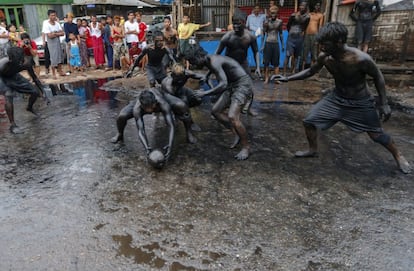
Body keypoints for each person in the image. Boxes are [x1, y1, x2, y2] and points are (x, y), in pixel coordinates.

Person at [271, 22, 411, 174]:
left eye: (325, 44)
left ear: (339, 42)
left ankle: (398, 155)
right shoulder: (325, 57)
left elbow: (378, 77)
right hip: (336, 99)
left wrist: (384, 103)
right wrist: (287, 78)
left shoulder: (361, 58)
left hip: (360, 102)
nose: (322, 47)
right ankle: (313, 150)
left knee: (376, 134)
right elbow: (311, 71)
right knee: (309, 121)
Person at [184, 45, 253, 160]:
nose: (193, 64)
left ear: (200, 56)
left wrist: (205, 93)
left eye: (193, 61)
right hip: (232, 84)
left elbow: (223, 84)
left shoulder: (214, 61)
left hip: (242, 84)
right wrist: (206, 77)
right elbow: (215, 73)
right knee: (216, 111)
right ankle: (236, 133)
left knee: (232, 116)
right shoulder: (208, 60)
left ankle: (246, 147)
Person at [111, 87, 198, 154]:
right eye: (147, 109)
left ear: (155, 103)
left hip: (163, 95)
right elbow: (141, 130)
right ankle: (120, 134)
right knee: (121, 116)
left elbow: (171, 125)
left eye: (152, 107)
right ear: (142, 106)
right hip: (142, 103)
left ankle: (189, 132)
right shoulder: (137, 108)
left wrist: (170, 145)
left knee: (182, 106)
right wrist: (147, 148)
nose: (150, 111)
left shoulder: (162, 102)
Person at [215, 16, 261, 115]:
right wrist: (214, 69)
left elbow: (256, 51)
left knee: (249, 86)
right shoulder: (227, 37)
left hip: (242, 64)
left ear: (244, 23)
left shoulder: (250, 36)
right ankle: (221, 109)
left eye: (238, 23)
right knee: (226, 87)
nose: (235, 26)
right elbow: (216, 54)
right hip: (229, 65)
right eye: (234, 23)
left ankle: (248, 108)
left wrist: (257, 67)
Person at [0, 46, 45, 134]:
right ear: (10, 59)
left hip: (14, 76)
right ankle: (13, 125)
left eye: (20, 59)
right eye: (16, 60)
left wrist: (43, 92)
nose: (19, 62)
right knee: (8, 95)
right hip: (1, 77)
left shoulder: (26, 63)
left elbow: (34, 78)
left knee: (35, 92)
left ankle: (29, 108)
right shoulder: (2, 64)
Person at [283, 1, 310, 74]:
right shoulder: (293, 15)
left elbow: (305, 27)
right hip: (291, 37)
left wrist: (301, 35)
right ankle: (284, 72)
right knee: (288, 55)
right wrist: (291, 32)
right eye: (301, 5)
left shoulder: (307, 17)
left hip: (299, 38)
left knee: (296, 56)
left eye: (303, 6)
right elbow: (288, 25)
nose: (302, 7)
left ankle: (293, 71)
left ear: (306, 7)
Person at [262, 6, 284, 84]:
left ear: (277, 13)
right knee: (266, 62)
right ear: (269, 13)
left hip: (276, 43)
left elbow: (281, 34)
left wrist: (283, 44)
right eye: (271, 13)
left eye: (274, 13)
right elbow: (263, 34)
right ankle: (266, 78)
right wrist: (262, 45)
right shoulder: (266, 22)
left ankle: (276, 78)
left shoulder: (279, 22)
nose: (273, 14)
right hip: (268, 43)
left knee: (276, 63)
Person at [42, 9, 65, 79]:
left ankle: (60, 71)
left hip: (58, 42)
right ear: (49, 16)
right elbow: (49, 36)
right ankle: (54, 74)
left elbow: (62, 33)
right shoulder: (46, 24)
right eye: (52, 15)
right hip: (51, 43)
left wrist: (54, 33)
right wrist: (57, 33)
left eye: (54, 15)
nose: (54, 17)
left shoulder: (57, 24)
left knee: (60, 56)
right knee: (53, 58)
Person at [302, 2, 324, 69]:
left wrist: (319, 37)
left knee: (313, 52)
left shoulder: (320, 15)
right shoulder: (309, 14)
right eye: (316, 6)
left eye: (318, 6)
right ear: (314, 7)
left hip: (315, 35)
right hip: (307, 35)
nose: (317, 7)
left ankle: (312, 69)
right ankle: (302, 69)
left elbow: (320, 26)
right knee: (305, 51)